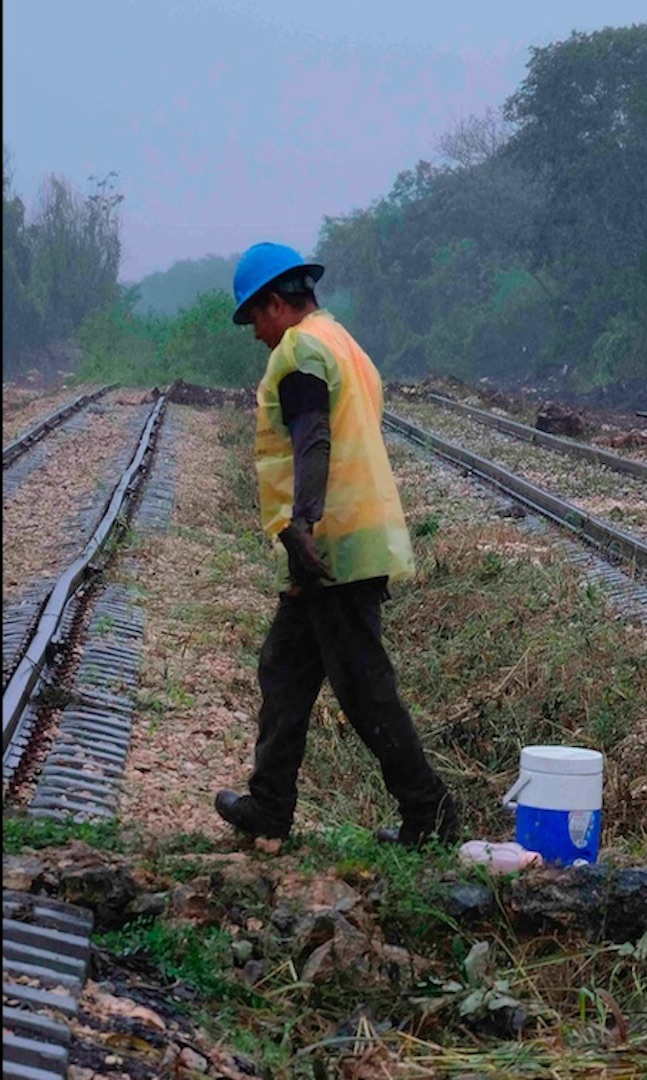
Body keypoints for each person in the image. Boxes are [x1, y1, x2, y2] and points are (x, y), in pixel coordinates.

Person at [213, 242, 461, 846]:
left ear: (277, 303)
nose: (256, 336)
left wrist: (301, 523)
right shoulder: (345, 343)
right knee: (285, 668)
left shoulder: (300, 349)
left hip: (331, 546)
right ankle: (269, 806)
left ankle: (430, 815)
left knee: (364, 687)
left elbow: (313, 438)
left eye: (255, 319)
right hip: (340, 539)